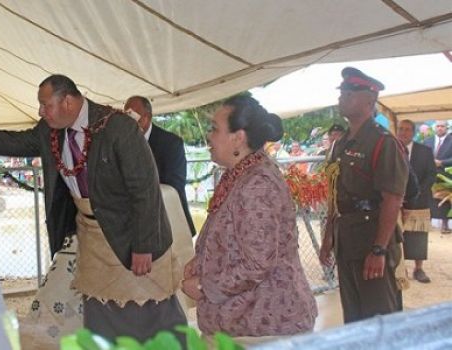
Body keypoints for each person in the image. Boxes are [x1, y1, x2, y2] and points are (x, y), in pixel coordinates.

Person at [0, 74, 186, 342]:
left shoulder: (118, 127)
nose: (41, 112)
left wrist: (143, 245)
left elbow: (145, 189)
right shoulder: (50, 130)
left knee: (150, 306)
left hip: (131, 235)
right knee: (100, 310)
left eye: (46, 105)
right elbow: (13, 142)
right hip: (92, 236)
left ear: (67, 101)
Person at [181, 95, 317, 339]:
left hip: (262, 328)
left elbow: (257, 263)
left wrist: (205, 285)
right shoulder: (240, 174)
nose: (209, 137)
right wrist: (201, 260)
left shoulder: (257, 184)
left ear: (238, 138)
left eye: (214, 129)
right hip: (244, 325)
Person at [319, 67, 408, 323]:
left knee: (380, 317)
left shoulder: (383, 142)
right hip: (347, 239)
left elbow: (393, 199)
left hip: (372, 239)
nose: (342, 97)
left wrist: (379, 250)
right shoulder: (341, 144)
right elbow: (336, 197)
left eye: (350, 92)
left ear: (370, 100)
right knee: (354, 317)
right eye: (342, 92)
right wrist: (328, 237)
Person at [123, 95, 196, 236]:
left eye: (132, 117)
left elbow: (174, 184)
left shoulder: (171, 143)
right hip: (136, 225)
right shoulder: (124, 143)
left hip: (170, 219)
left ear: (147, 118)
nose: (128, 123)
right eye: (125, 117)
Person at [397, 119, 436, 283]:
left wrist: (417, 193)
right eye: (401, 129)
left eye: (407, 129)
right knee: (397, 236)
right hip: (396, 202)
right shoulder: (392, 149)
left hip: (419, 201)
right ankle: (400, 269)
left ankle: (418, 269)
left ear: (413, 132)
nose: (403, 132)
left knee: (418, 235)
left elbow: (431, 174)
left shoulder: (425, 151)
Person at [423, 120, 452, 234]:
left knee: (444, 199)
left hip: (446, 176)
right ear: (435, 128)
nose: (440, 128)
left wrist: (442, 162)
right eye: (438, 126)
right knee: (428, 198)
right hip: (429, 175)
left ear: (447, 128)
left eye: (442, 126)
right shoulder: (427, 141)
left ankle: (445, 224)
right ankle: (427, 223)